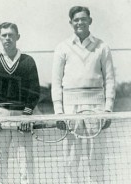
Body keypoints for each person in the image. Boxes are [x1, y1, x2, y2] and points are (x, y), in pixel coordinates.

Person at [51, 6, 115, 184]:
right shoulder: (62, 47)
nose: (80, 22)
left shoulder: (103, 46)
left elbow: (109, 79)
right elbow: (56, 82)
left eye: (83, 19)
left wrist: (108, 109)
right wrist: (59, 112)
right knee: (71, 157)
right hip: (70, 107)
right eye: (76, 20)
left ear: (90, 21)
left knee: (96, 157)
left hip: (97, 107)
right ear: (71, 23)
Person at [0, 22, 40, 184]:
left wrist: (26, 116)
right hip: (0, 116)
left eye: (11, 35)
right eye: (4, 35)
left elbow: (34, 91)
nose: (7, 38)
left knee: (25, 162)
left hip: (22, 115)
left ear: (17, 37)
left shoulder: (28, 61)